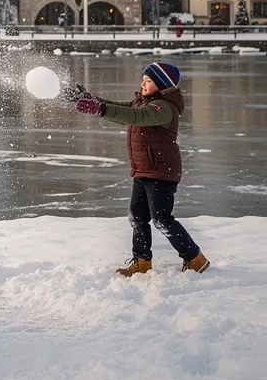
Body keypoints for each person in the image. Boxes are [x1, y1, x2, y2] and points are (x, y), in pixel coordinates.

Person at [70, 62, 209, 276]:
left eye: (148, 81)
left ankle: (194, 258)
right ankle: (142, 261)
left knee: (162, 219)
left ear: (162, 85)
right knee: (137, 217)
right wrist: (90, 99)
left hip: (162, 171)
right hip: (143, 170)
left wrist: (100, 110)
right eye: (143, 79)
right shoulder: (144, 102)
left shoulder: (164, 108)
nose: (142, 83)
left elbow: (136, 117)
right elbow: (125, 110)